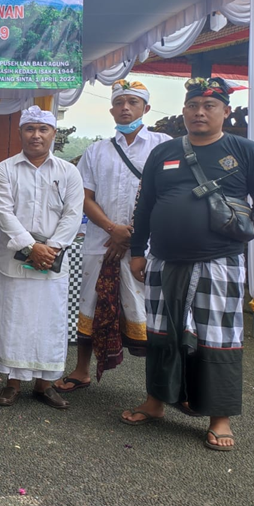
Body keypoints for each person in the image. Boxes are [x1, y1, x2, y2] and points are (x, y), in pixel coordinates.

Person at [122, 77, 254, 451]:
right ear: (184, 111)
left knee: (217, 339)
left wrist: (243, 233)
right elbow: (144, 206)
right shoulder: (163, 153)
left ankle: (219, 417)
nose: (200, 112)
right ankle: (156, 401)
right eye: (193, 106)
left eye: (209, 106)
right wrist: (138, 251)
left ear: (225, 111)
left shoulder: (246, 151)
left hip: (219, 263)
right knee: (162, 335)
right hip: (164, 261)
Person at [54, 80, 170, 394]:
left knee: (147, 310)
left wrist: (131, 234)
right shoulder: (97, 151)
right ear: (111, 110)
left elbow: (168, 194)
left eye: (133, 102)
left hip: (145, 246)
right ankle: (81, 370)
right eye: (119, 102)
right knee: (91, 304)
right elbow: (84, 197)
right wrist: (112, 229)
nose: (125, 108)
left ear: (146, 108)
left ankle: (155, 389)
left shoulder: (162, 145)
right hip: (100, 242)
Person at [0, 105, 84, 410]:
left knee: (49, 322)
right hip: (16, 256)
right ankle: (12, 383)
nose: (36, 135)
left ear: (54, 134)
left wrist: (50, 249)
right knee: (13, 320)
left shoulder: (68, 172)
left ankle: (45, 384)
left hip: (52, 258)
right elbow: (3, 213)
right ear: (20, 133)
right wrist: (32, 247)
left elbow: (73, 214)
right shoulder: (4, 169)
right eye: (30, 129)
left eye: (43, 129)